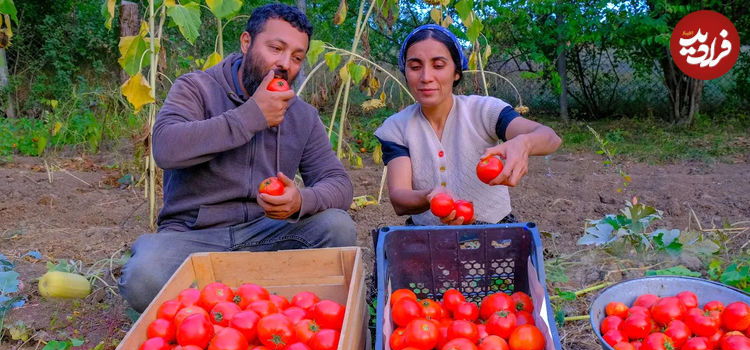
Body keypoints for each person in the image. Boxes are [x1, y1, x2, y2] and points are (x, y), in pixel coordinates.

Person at [118, 4, 356, 313]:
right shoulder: (196, 88)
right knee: (143, 277)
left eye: (297, 57)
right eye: (276, 48)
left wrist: (301, 201)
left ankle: (222, 300)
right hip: (195, 240)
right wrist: (252, 116)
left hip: (265, 235)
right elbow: (165, 147)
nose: (285, 63)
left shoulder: (302, 116)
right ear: (246, 43)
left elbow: (339, 184)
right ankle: (262, 298)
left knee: (338, 227)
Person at [374, 24, 562, 226]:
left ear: (456, 72)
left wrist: (524, 143)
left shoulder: (484, 111)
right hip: (427, 235)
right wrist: (431, 197)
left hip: (495, 229)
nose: (426, 77)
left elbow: (550, 138)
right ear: (406, 72)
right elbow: (399, 199)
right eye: (415, 67)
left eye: (438, 66)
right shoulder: (396, 127)